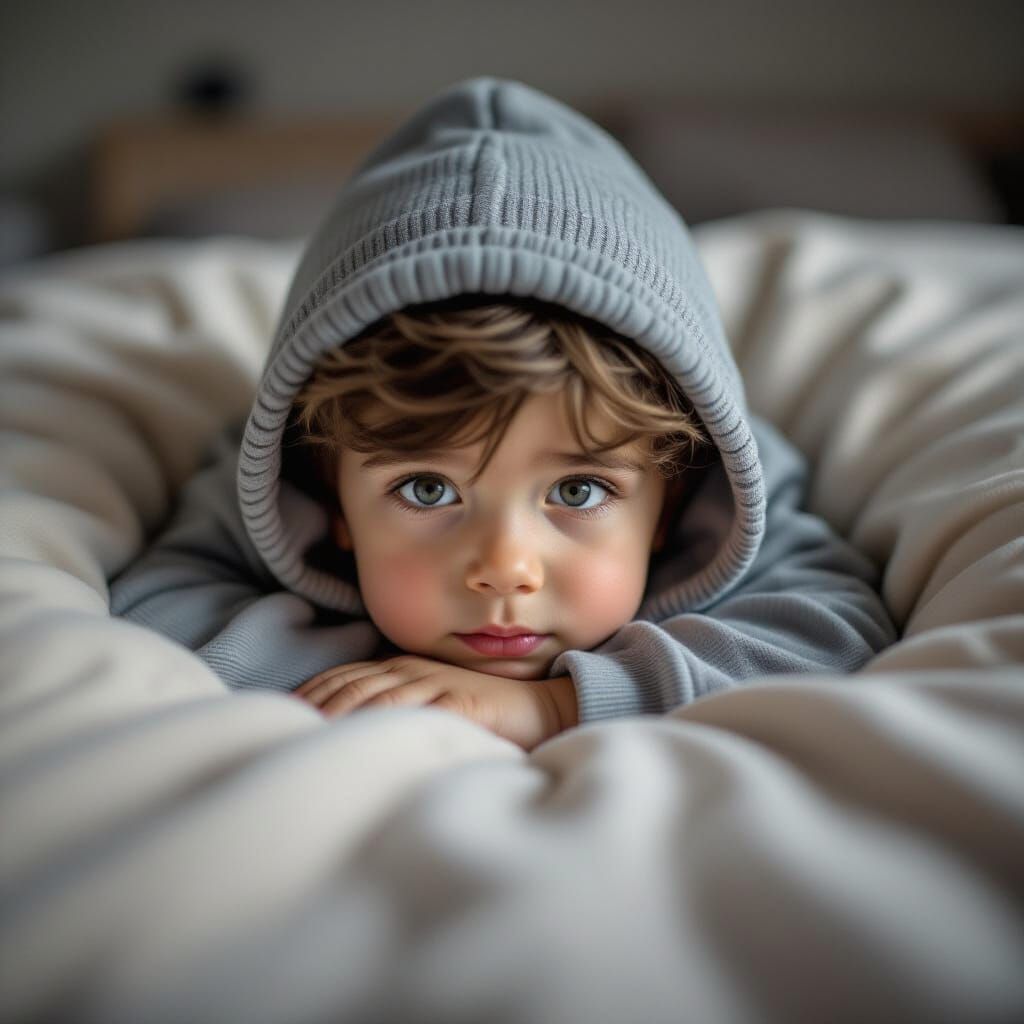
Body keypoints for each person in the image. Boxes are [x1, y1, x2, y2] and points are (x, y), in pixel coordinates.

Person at [110, 76, 897, 751]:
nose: (505, 568)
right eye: (426, 489)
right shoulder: (278, 470)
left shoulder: (724, 486)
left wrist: (555, 703)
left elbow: (831, 633)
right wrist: (377, 678)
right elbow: (162, 615)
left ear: (670, 499)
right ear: (334, 497)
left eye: (579, 492)